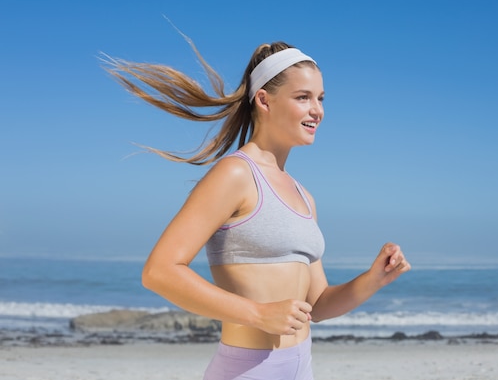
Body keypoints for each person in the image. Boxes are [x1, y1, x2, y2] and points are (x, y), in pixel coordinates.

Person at [104, 39, 411, 380]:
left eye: (320, 99)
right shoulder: (235, 174)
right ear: (264, 100)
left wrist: (374, 279)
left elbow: (319, 304)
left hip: (301, 366)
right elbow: (160, 271)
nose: (317, 110)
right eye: (303, 97)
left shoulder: (304, 196)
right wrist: (257, 314)